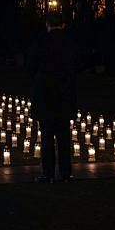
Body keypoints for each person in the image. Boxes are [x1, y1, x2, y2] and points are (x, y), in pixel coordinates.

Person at [27, 11, 79, 183]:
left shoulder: (41, 43)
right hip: (65, 96)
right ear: (63, 25)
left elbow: (31, 67)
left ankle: (47, 173)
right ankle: (66, 173)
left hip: (45, 96)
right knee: (64, 137)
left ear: (47, 24)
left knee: (47, 137)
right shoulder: (71, 44)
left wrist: (39, 82)